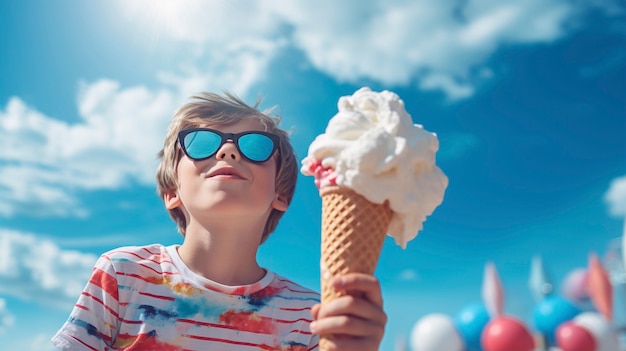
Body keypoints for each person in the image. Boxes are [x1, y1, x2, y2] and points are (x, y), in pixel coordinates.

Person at [51, 92, 387, 351]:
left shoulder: (310, 316)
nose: (227, 151)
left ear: (280, 195)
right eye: (202, 143)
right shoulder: (124, 275)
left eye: (255, 146)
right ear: (172, 191)